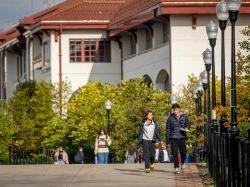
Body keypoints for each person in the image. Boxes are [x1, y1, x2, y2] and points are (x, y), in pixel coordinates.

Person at [166, 103, 190, 174]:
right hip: (173, 138)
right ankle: (176, 167)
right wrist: (167, 141)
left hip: (182, 137)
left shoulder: (184, 116)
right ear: (172, 110)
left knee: (183, 152)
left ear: (179, 109)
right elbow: (168, 130)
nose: (175, 111)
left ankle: (182, 162)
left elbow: (188, 125)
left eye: (176, 109)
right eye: (174, 110)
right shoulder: (170, 118)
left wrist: (186, 128)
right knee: (175, 153)